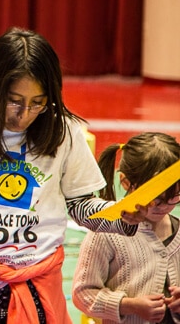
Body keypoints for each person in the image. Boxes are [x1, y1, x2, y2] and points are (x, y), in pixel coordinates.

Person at [0, 27, 145, 324]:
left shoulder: (63, 130)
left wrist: (120, 215)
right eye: (14, 101)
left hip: (38, 285)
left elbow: (81, 206)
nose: (24, 115)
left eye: (37, 102)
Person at [72, 132, 180, 324]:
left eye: (173, 197)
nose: (163, 207)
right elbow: (82, 294)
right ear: (126, 183)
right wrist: (128, 305)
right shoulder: (105, 234)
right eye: (154, 199)